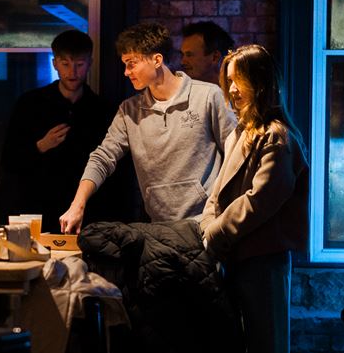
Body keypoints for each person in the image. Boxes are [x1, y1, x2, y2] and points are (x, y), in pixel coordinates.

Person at [200, 44, 309, 353]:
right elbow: (219, 189)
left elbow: (261, 199)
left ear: (259, 83)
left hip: (264, 258)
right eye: (228, 80)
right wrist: (210, 222)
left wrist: (216, 230)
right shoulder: (240, 132)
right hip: (239, 256)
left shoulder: (277, 136)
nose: (230, 89)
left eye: (238, 81)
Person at [59, 21, 234, 232]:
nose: (126, 72)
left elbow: (236, 153)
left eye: (131, 63)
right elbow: (103, 157)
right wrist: (78, 204)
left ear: (157, 59)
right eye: (124, 64)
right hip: (159, 227)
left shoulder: (208, 96)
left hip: (207, 225)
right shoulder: (129, 110)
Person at [0, 29, 115, 233]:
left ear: (89, 63)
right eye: (66, 64)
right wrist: (41, 146)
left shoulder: (101, 109)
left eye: (79, 64)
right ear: (55, 64)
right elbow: (9, 161)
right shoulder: (30, 104)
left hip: (89, 215)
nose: (73, 72)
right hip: (38, 212)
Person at [180, 20, 235, 86]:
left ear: (215, 57)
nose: (182, 62)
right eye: (182, 55)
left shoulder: (238, 93)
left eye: (189, 55)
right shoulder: (184, 89)